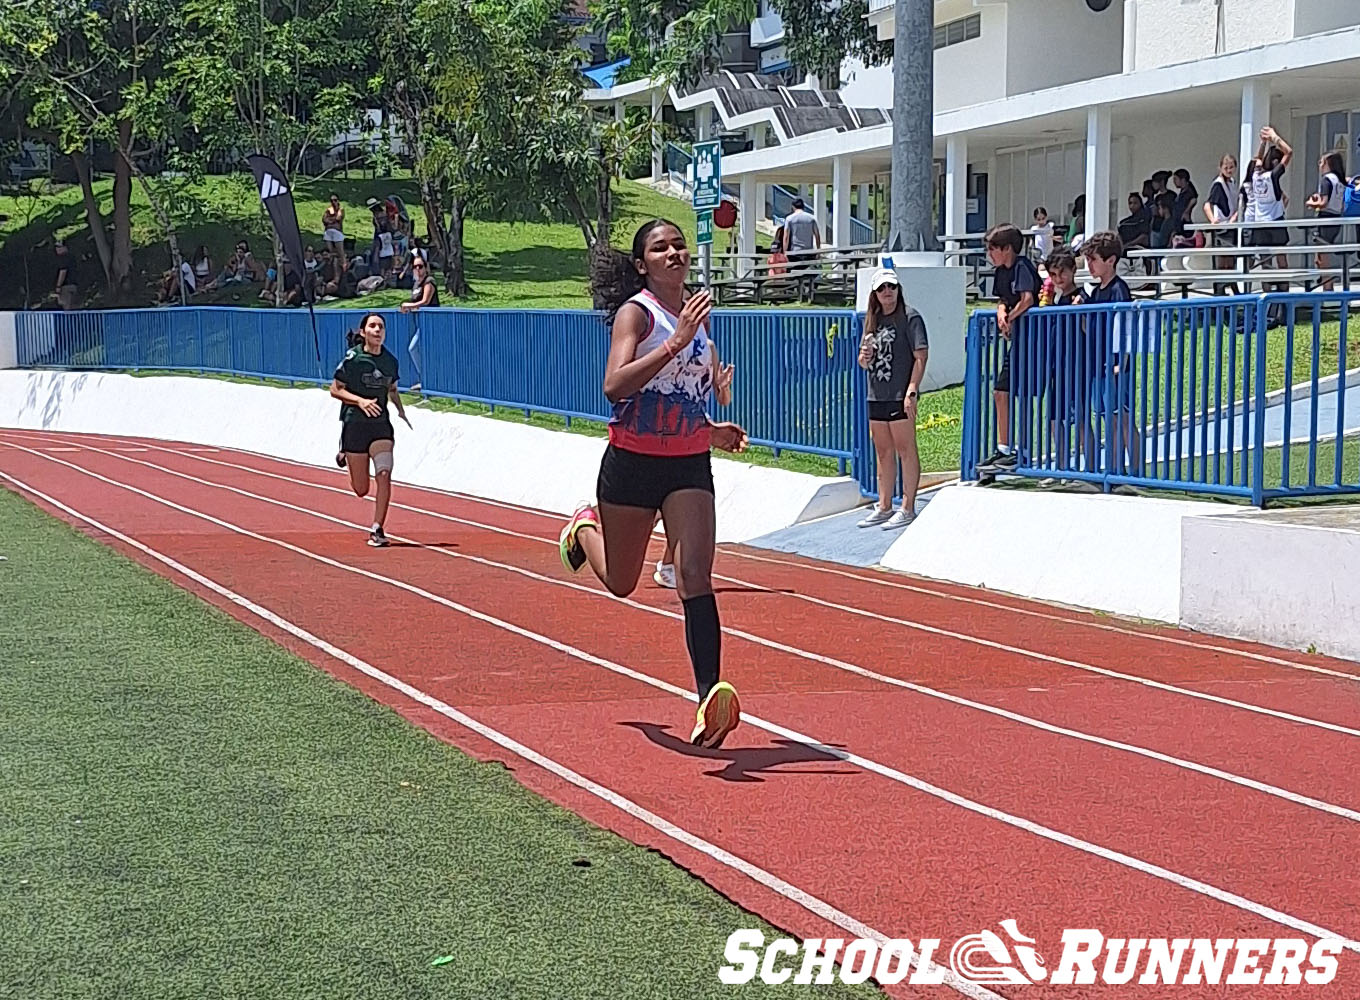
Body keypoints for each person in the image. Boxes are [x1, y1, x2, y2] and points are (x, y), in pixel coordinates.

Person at [557, 219, 750, 750]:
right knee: (622, 582)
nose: (674, 252)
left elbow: (685, 398)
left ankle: (710, 697)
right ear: (643, 264)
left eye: (678, 245)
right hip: (632, 464)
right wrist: (675, 344)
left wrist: (715, 426)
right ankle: (583, 530)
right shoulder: (638, 313)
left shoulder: (698, 316)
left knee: (694, 575)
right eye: (660, 248)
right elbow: (614, 387)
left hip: (687, 464)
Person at [654, 343, 734, 588]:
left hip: (694, 442)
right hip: (661, 439)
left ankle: (668, 565)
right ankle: (589, 526)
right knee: (656, 510)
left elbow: (723, 400)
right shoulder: (665, 341)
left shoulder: (708, 347)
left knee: (685, 508)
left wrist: (722, 388)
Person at [330, 312, 412, 547]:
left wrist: (400, 410)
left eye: (381, 327)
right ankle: (346, 452)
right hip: (355, 423)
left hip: (380, 426)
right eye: (373, 326)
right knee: (361, 489)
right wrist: (360, 401)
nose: (378, 330)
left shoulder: (390, 361)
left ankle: (377, 528)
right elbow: (335, 390)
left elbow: (392, 389)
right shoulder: (353, 358)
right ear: (363, 332)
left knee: (384, 475)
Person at [856, 268, 929, 529]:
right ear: (875, 294)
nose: (888, 292)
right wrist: (864, 357)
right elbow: (863, 360)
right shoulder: (872, 320)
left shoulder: (910, 318)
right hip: (877, 393)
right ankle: (884, 505)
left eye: (892, 287)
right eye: (882, 288)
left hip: (899, 392)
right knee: (882, 450)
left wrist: (912, 389)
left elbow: (920, 355)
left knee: (905, 449)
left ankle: (907, 506)